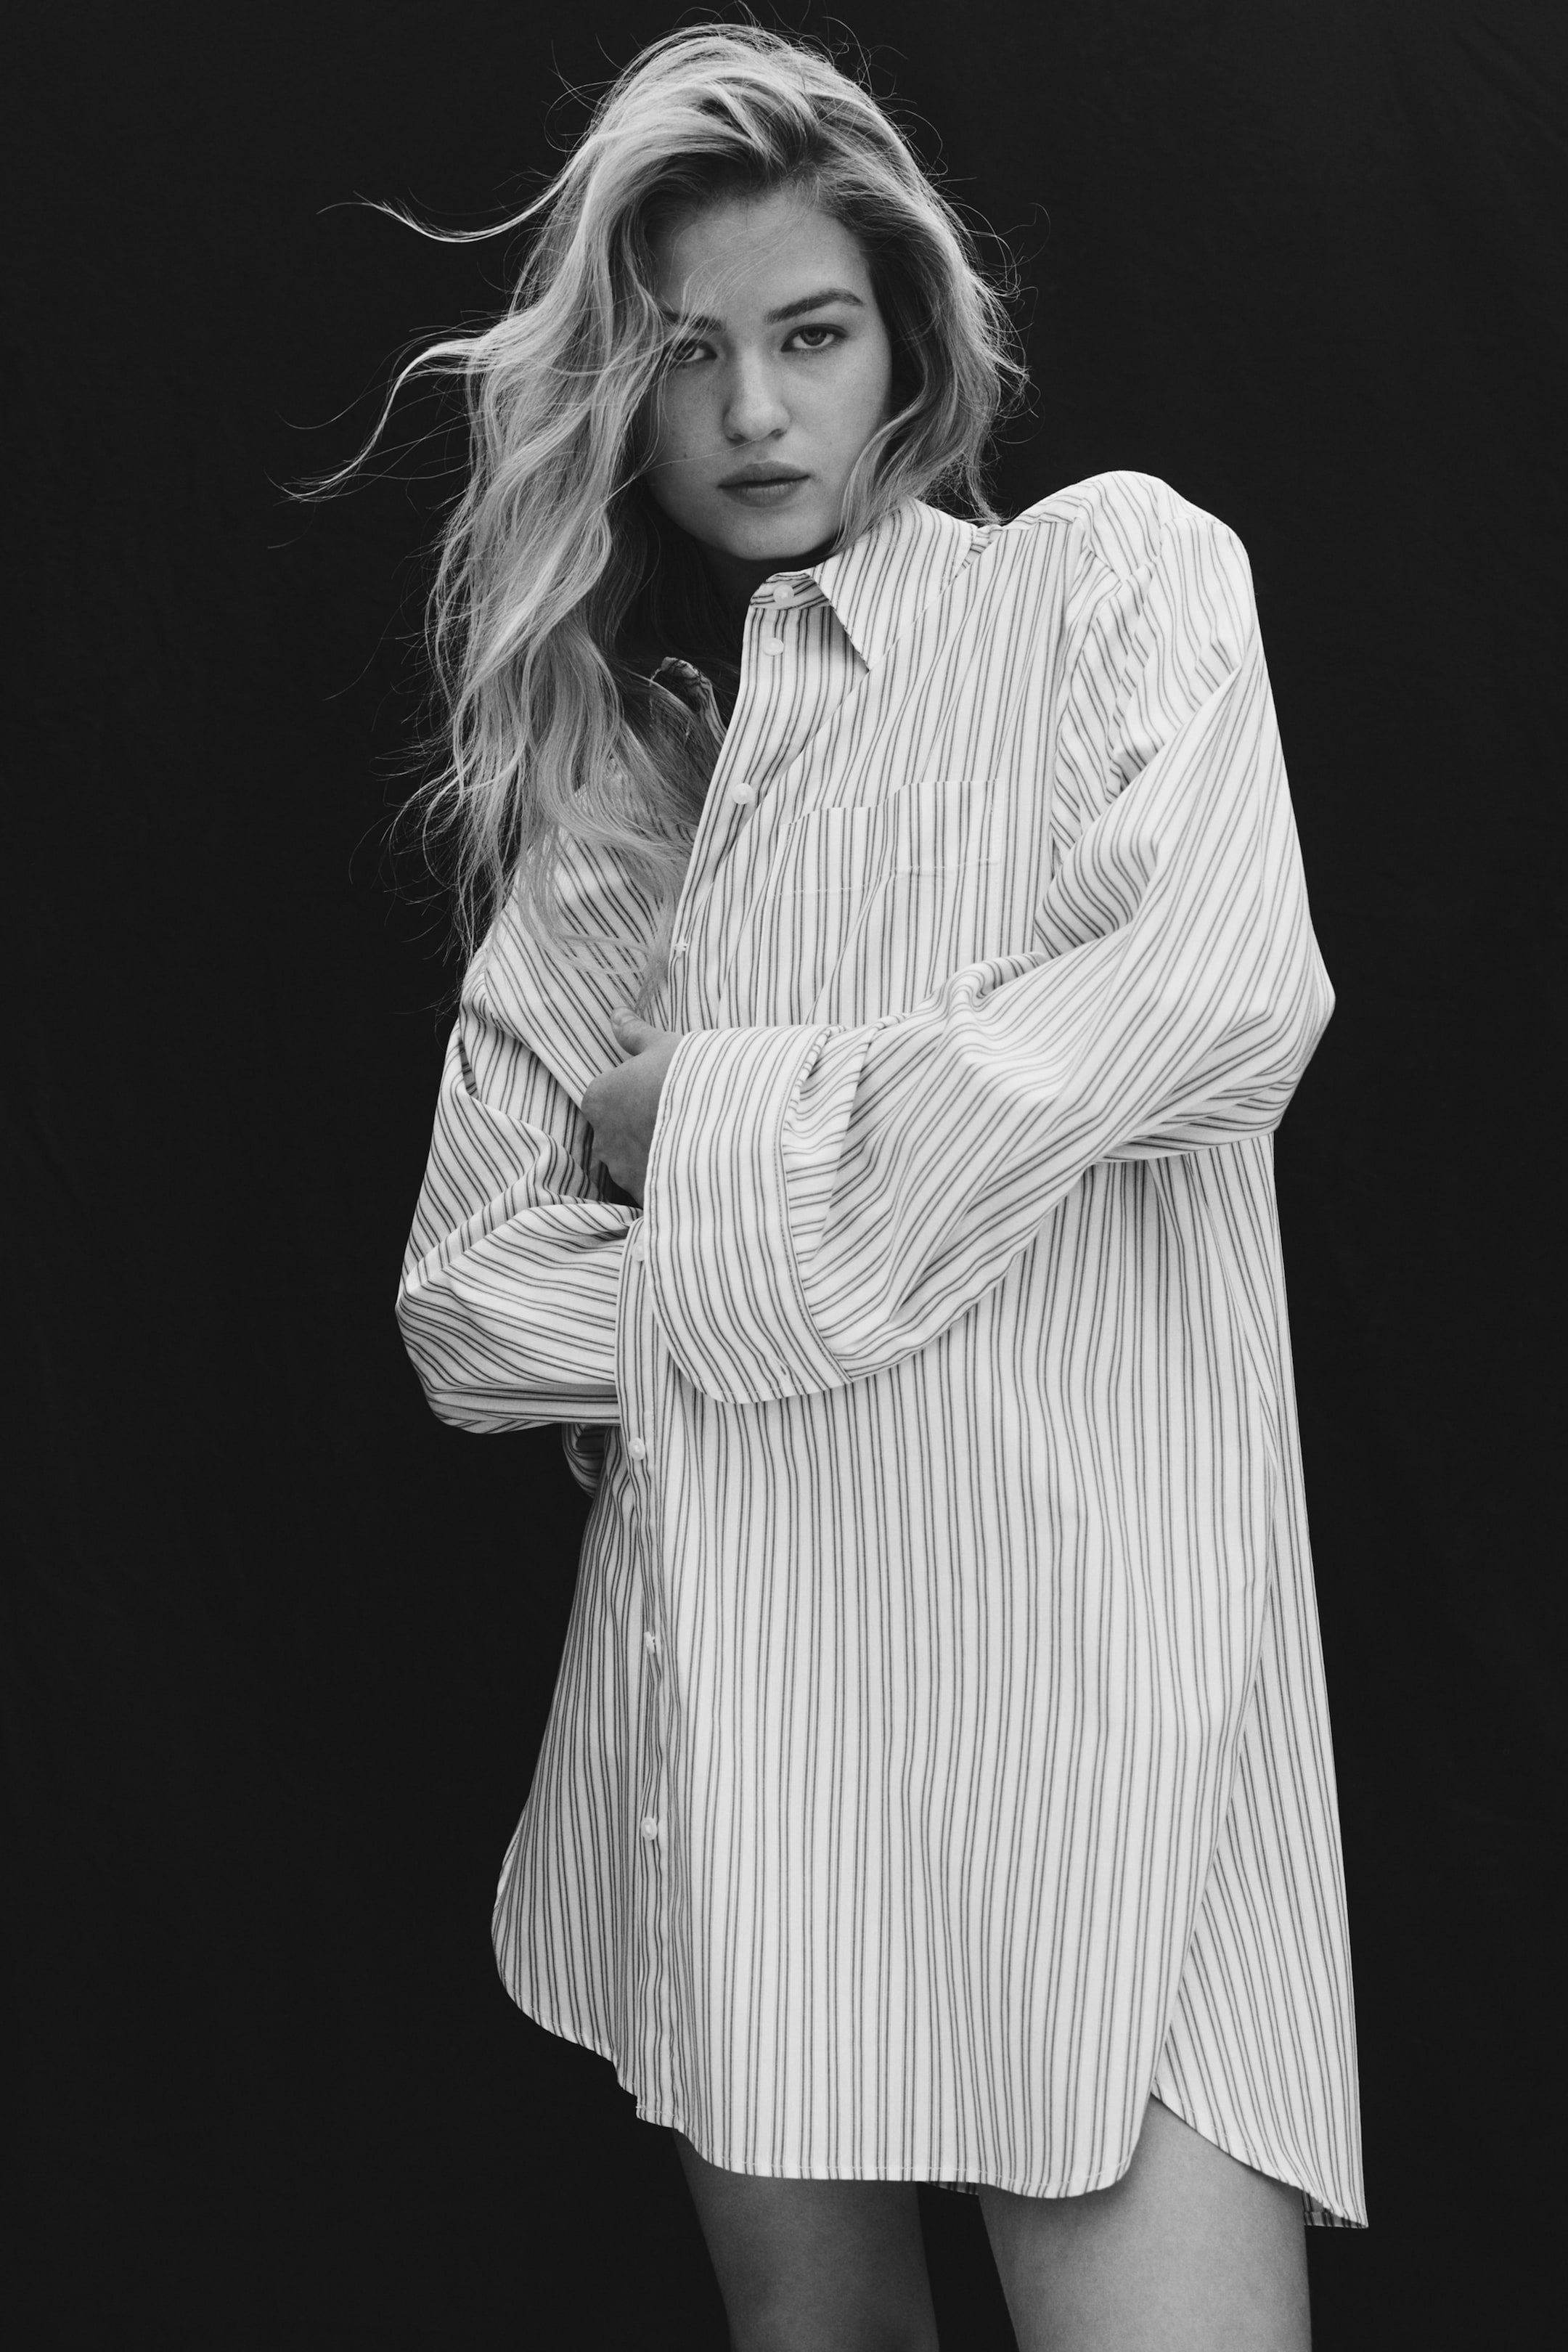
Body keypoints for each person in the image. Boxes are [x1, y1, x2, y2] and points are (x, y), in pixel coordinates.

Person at [388, 24, 1365, 2348]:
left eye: (809, 334)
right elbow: (469, 1305)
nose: (752, 409)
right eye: (685, 354)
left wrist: (715, 1129)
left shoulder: (1107, 587)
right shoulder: (633, 815)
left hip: (1108, 1722)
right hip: (751, 1740)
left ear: (906, 345)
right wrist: (954, 1219)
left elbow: (1222, 998)